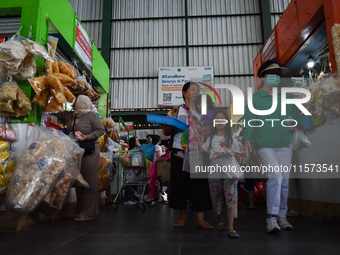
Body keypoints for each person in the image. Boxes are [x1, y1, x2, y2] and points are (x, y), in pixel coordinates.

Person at [242, 58, 303, 233]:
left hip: (285, 143)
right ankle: (271, 217)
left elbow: (297, 117)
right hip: (264, 144)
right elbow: (249, 122)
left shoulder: (287, 97)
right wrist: (247, 139)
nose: (275, 77)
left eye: (277, 74)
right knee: (275, 176)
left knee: (284, 181)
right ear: (262, 77)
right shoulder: (255, 99)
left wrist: (295, 124)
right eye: (271, 74)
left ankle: (282, 217)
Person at [163, 82, 213, 229]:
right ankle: (182, 218)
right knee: (180, 185)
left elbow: (210, 127)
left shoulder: (203, 109)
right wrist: (169, 126)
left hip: (199, 152)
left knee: (200, 185)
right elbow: (165, 132)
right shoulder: (175, 110)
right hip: (179, 152)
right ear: (184, 93)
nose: (196, 92)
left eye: (198, 90)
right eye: (193, 90)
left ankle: (200, 219)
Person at [201, 110, 240, 238]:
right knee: (215, 197)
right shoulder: (211, 138)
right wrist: (202, 136)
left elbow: (236, 152)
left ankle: (231, 226)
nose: (219, 121)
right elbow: (202, 148)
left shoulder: (231, 138)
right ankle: (219, 221)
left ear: (227, 121)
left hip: (229, 171)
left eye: (222, 118)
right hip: (215, 170)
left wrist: (230, 154)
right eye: (217, 119)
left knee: (231, 198)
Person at [72, 95, 106, 221]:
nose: (74, 103)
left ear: (82, 103)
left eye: (76, 101)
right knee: (79, 181)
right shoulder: (75, 115)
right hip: (78, 151)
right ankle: (80, 209)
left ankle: (89, 212)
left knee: (89, 181)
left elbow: (100, 130)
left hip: (90, 151)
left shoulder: (92, 115)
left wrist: (87, 137)